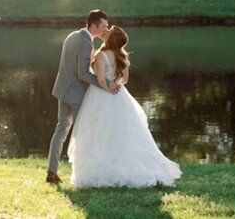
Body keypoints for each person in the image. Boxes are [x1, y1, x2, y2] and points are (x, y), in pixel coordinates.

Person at [68, 25, 182, 188]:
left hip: (101, 94)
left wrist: (108, 88)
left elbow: (100, 80)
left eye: (109, 31)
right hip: (119, 95)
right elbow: (125, 79)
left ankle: (102, 170)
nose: (105, 31)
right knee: (122, 130)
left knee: (99, 130)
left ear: (111, 39)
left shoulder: (101, 55)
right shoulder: (122, 56)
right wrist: (116, 85)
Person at [46, 10, 120, 184]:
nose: (106, 29)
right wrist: (106, 83)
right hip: (76, 95)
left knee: (61, 130)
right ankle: (85, 175)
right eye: (103, 26)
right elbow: (83, 74)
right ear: (93, 26)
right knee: (83, 134)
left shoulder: (73, 36)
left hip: (62, 91)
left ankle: (52, 171)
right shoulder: (86, 43)